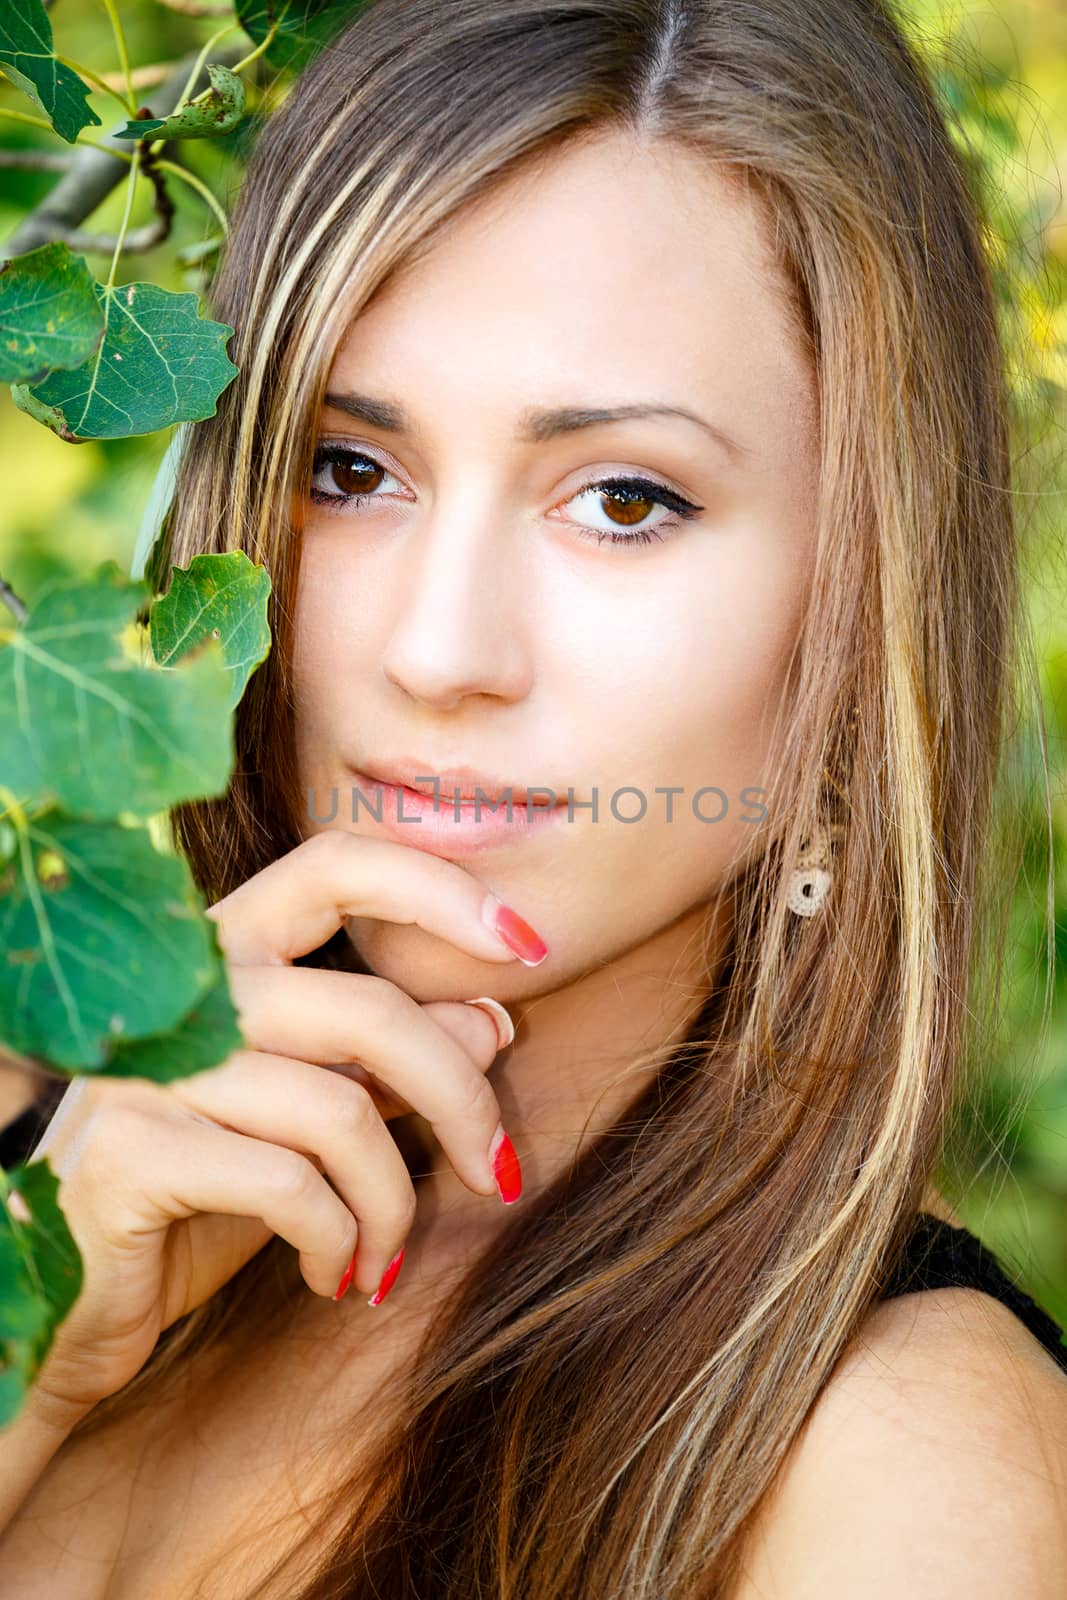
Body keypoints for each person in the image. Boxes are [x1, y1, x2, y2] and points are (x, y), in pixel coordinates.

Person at [1, 0, 1066, 1594]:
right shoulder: (64, 1177)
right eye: (353, 471)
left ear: (862, 611)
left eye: (624, 500)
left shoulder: (903, 1459)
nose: (438, 651)